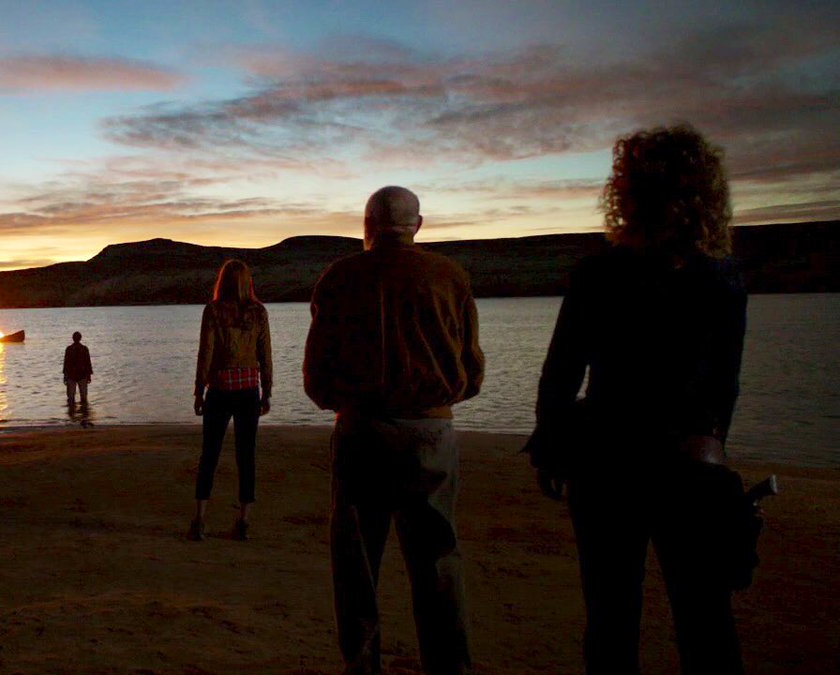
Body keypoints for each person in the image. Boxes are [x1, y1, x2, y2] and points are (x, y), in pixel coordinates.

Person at [526, 124, 748, 674]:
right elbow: (725, 384)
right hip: (687, 462)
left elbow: (561, 373)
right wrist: (711, 443)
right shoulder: (720, 277)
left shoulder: (599, 271)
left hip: (606, 458)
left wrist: (551, 447)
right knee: (705, 618)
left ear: (627, 191)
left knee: (610, 616)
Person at [304, 186, 484, 675]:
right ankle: (449, 667)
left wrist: (345, 404)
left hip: (362, 431)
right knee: (438, 561)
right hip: (430, 432)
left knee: (357, 564)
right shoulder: (450, 276)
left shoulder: (339, 278)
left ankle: (362, 666)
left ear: (366, 226)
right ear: (417, 225)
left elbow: (316, 375)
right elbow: (472, 369)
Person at [188, 259, 272, 542]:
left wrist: (199, 390)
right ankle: (243, 522)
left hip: (220, 389)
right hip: (248, 389)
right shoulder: (258, 313)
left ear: (221, 282)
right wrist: (267, 390)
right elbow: (265, 354)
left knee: (209, 454)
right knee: (246, 456)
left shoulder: (212, 311)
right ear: (247, 283)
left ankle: (200, 520)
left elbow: (206, 352)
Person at [63, 331, 93, 406]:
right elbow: (88, 363)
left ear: (73, 338)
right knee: (83, 397)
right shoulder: (84, 349)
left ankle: (72, 414)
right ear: (80, 338)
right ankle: (84, 414)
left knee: (71, 398)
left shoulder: (69, 349)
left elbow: (66, 363)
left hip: (72, 375)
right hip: (81, 375)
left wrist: (65, 376)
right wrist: (89, 375)